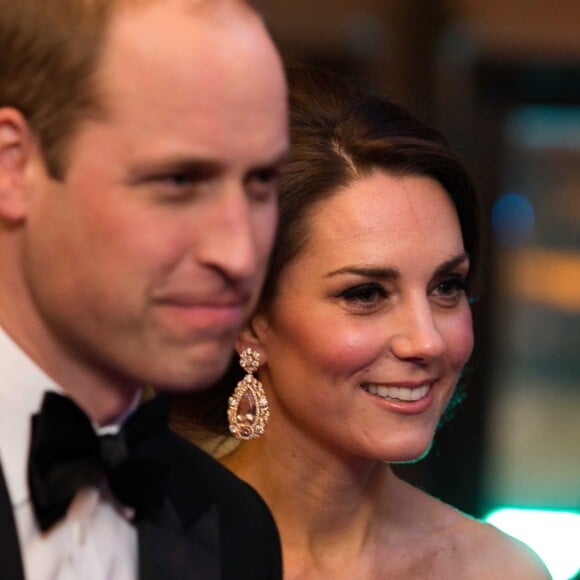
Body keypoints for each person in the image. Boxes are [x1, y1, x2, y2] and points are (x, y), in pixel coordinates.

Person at [172, 69, 551, 579]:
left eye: (446, 287)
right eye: (366, 294)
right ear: (249, 320)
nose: (427, 341)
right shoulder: (134, 551)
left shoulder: (499, 571)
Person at [0, 0, 288, 578]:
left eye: (261, 183)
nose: (238, 254)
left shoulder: (235, 528)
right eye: (179, 180)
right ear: (14, 168)